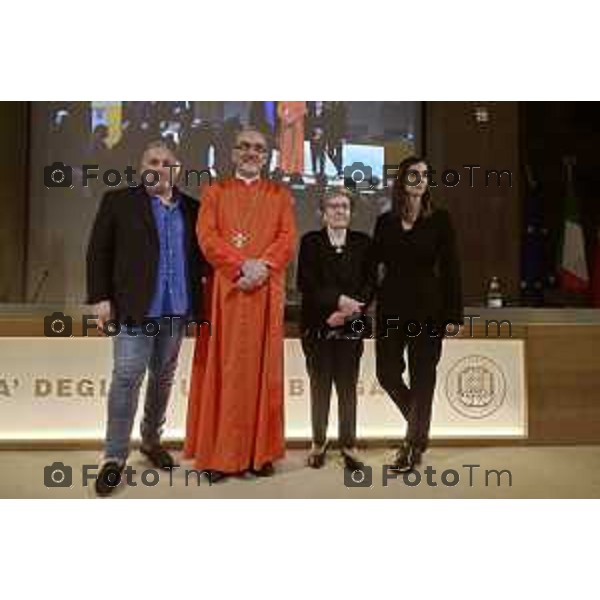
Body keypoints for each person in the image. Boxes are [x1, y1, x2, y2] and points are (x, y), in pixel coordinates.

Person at [86, 141, 207, 496]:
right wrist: (99, 298)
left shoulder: (193, 209)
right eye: (152, 161)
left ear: (177, 169)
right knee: (126, 379)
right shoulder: (118, 202)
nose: (159, 167)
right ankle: (114, 457)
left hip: (176, 310)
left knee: (164, 378)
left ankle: (152, 441)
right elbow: (98, 252)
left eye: (167, 162)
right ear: (142, 167)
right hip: (135, 310)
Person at [184, 128, 297, 482]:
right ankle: (219, 456)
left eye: (259, 149)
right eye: (244, 147)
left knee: (263, 372)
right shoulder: (215, 191)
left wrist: (262, 266)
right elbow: (207, 236)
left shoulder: (279, 194)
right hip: (227, 293)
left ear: (267, 156)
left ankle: (258, 452)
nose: (251, 153)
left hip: (264, 292)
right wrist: (239, 267)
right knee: (225, 369)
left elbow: (287, 237)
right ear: (233, 154)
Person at [371, 156, 464, 473]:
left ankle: (412, 445)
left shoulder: (440, 219)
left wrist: (454, 315)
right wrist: (357, 301)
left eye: (425, 174)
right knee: (387, 374)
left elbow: (452, 269)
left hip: (429, 311)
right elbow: (372, 269)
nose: (421, 179)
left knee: (423, 378)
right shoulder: (384, 222)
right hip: (391, 309)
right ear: (402, 180)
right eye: (414, 174)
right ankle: (419, 424)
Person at [297, 189, 373, 470]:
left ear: (350, 211)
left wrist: (349, 310)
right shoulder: (311, 242)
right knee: (320, 387)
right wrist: (337, 304)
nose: (339, 211)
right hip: (319, 323)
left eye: (344, 206)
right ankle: (318, 443)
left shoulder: (363, 243)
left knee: (347, 387)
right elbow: (306, 282)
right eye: (333, 206)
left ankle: (349, 445)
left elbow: (369, 283)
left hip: (352, 322)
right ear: (323, 212)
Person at [277, 101, 306, 184]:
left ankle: (296, 171)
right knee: (285, 148)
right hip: (286, 128)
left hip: (297, 128)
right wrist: (285, 118)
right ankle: (284, 169)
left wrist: (292, 118)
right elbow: (279, 110)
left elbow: (303, 110)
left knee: (296, 149)